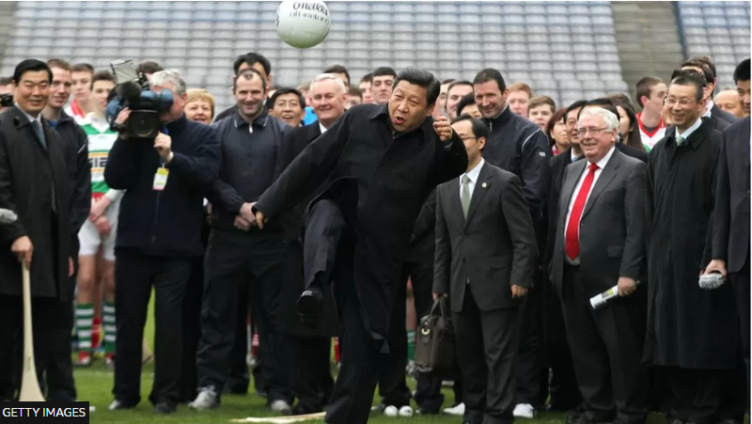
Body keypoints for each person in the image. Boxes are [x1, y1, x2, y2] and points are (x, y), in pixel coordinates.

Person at [252, 67, 468, 424]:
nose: (402, 107)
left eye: (413, 102)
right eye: (398, 97)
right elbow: (312, 160)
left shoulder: (434, 140)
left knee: (365, 342)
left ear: (430, 108)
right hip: (336, 225)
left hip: (379, 253)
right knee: (327, 208)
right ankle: (315, 286)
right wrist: (269, 203)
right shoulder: (359, 118)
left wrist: (449, 142)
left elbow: (454, 167)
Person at [105, 69, 220, 414]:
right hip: (133, 244)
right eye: (153, 95)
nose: (160, 103)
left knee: (171, 324)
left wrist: (172, 158)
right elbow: (115, 178)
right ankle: (124, 393)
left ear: (183, 98)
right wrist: (124, 136)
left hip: (177, 249)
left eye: (165, 95)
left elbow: (207, 175)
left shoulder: (202, 134)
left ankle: (167, 394)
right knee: (128, 323)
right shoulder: (139, 131)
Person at [190, 68, 292, 413]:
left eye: (255, 92)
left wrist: (262, 209)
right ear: (234, 91)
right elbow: (209, 177)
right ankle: (209, 386)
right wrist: (238, 207)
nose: (249, 98)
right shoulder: (216, 131)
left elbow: (288, 179)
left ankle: (277, 390)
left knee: (274, 318)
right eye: (243, 92)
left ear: (266, 91)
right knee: (216, 315)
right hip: (226, 238)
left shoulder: (284, 132)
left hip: (271, 241)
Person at [645, 71, 739, 424]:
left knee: (703, 335)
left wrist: (714, 255)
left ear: (702, 103)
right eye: (670, 99)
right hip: (665, 261)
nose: (675, 106)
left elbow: (721, 207)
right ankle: (681, 405)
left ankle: (705, 407)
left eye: (684, 100)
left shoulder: (718, 144)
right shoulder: (662, 146)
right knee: (670, 333)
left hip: (702, 260)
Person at [434, 114, 537, 424]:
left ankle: (498, 415)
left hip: (498, 286)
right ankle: (474, 412)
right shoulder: (445, 185)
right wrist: (439, 284)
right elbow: (443, 241)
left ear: (481, 142)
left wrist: (520, 276)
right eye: (452, 138)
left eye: (462, 137)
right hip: (459, 287)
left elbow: (523, 237)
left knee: (498, 356)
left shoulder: (504, 181)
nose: (456, 143)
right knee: (469, 357)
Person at [550, 107, 649, 424]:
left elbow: (638, 228)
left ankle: (629, 412)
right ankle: (597, 410)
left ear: (613, 134)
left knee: (621, 351)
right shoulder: (573, 170)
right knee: (584, 350)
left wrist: (629, 273)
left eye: (594, 130)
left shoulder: (632, 169)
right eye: (582, 131)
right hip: (571, 275)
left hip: (612, 279)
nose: (587, 137)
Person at [473, 68, 550, 419]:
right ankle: (486, 394)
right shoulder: (474, 131)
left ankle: (526, 395)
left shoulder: (529, 134)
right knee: (483, 325)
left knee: (522, 323)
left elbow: (533, 195)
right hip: (476, 245)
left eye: (491, 95)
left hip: (516, 243)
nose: (485, 102)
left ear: (505, 94)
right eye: (479, 97)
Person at [0, 59, 78, 401]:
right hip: (9, 255)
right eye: (29, 85)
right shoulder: (3, 129)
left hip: (48, 253)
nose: (37, 92)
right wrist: (15, 232)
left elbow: (62, 199)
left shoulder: (53, 135)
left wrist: (67, 250)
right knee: (6, 334)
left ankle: (33, 404)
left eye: (43, 85)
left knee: (44, 332)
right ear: (15, 87)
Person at [274, 73, 346, 416]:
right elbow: (284, 187)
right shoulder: (296, 138)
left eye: (330, 96)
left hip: (348, 247)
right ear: (310, 103)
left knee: (344, 322)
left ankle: (343, 393)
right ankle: (308, 395)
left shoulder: (360, 136)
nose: (323, 102)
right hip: (301, 246)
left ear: (344, 99)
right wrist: (302, 233)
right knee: (303, 322)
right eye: (318, 97)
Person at [40, 58, 92, 401]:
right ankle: (23, 398)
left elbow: (80, 195)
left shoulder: (76, 133)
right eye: (54, 83)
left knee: (60, 321)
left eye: (66, 84)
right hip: (23, 243)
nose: (60, 90)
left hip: (63, 245)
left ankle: (62, 400)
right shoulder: (14, 129)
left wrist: (65, 241)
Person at [705, 57, 751, 423]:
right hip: (743, 257)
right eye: (741, 92)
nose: (746, 99)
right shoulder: (733, 136)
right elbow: (723, 200)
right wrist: (718, 254)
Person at [74, 70, 121, 368]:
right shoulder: (80, 128)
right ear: (89, 93)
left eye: (109, 91)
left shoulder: (123, 130)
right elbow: (75, 173)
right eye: (99, 90)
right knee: (87, 278)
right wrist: (93, 209)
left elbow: (126, 173)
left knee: (113, 282)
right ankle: (84, 346)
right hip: (86, 214)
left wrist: (105, 203)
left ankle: (111, 347)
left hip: (116, 210)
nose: (104, 96)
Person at [634, 77, 667, 148]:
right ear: (645, 100)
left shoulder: (672, 126)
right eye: (660, 95)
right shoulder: (631, 126)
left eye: (667, 95)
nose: (666, 99)